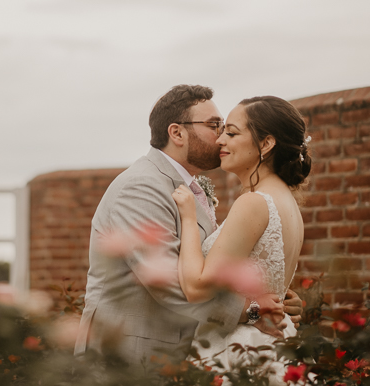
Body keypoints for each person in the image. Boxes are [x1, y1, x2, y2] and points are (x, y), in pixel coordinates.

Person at [74, 85, 302, 366]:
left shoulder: (191, 189)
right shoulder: (141, 186)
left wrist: (275, 299)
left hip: (173, 358)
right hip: (129, 357)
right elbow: (169, 283)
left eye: (226, 129)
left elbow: (213, 269)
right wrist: (253, 311)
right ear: (177, 133)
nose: (220, 137)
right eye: (214, 125)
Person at [171, 95, 311, 372]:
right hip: (275, 344)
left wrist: (188, 218)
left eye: (232, 133)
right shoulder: (287, 201)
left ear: (266, 144)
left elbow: (197, 287)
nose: (220, 140)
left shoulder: (254, 203)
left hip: (241, 350)